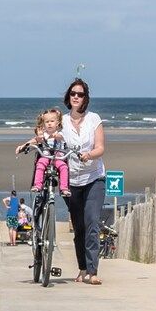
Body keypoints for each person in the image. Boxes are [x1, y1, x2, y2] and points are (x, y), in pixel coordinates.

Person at [59, 77, 106, 284]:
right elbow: (48, 134)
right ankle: (82, 268)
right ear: (68, 97)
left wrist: (90, 155)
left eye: (80, 94)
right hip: (71, 181)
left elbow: (100, 147)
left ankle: (93, 271)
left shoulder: (94, 119)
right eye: (73, 94)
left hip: (94, 177)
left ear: (85, 98)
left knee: (92, 223)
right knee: (79, 227)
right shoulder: (62, 121)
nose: (76, 97)